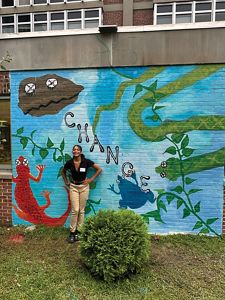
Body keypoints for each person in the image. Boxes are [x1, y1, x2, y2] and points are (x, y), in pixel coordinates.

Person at [62, 144, 102, 243]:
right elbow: (63, 172)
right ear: (73, 152)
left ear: (80, 152)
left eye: (77, 149)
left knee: (81, 210)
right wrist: (66, 181)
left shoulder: (86, 162)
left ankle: (79, 232)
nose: (75, 151)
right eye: (74, 149)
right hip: (74, 187)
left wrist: (91, 179)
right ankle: (72, 233)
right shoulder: (69, 163)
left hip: (84, 187)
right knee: (75, 210)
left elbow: (99, 169)